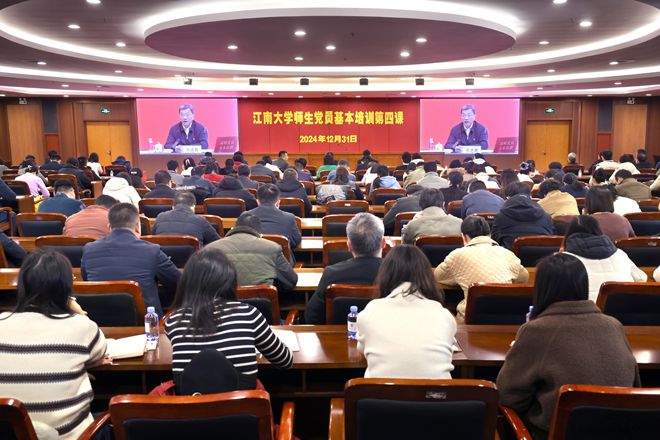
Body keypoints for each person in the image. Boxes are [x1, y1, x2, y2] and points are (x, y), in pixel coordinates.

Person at [497, 253, 640, 439]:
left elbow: (508, 396)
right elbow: (635, 384)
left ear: (541, 289)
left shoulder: (537, 330)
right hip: (621, 431)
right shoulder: (614, 325)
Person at [0, 250, 107, 440]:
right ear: (66, 287)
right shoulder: (81, 326)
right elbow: (98, 357)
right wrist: (78, 313)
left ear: (22, 285)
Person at [165, 247, 293, 390]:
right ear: (229, 280)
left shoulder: (173, 322)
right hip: (244, 404)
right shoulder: (249, 315)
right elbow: (285, 361)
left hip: (191, 403)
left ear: (187, 283)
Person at [357, 245, 456, 379]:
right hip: (435, 392)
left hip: (381, 391)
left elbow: (362, 350)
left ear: (385, 275)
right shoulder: (443, 315)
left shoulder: (371, 311)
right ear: (426, 275)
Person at [81, 203, 180, 315]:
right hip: (145, 321)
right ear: (137, 226)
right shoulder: (152, 250)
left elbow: (87, 280)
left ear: (109, 227)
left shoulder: (89, 249)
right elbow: (178, 283)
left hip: (97, 319)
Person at [434, 216, 529, 320]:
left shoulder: (457, 255)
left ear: (463, 237)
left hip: (470, 319)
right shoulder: (508, 254)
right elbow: (524, 277)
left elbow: (438, 276)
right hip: (507, 317)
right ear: (490, 235)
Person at [305, 213, 384, 324]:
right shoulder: (398, 273)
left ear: (349, 246)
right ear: (383, 243)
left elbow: (312, 316)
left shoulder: (331, 273)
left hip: (340, 333)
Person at [562, 215, 646, 301]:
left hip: (587, 307)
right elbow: (642, 278)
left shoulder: (562, 260)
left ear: (568, 233)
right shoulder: (620, 254)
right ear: (598, 230)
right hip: (625, 306)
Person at [207, 212, 297, 291]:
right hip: (261, 304)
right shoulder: (273, 248)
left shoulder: (211, 249)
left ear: (232, 228)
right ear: (260, 234)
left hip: (223, 303)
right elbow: (291, 281)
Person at [491, 182, 553, 250]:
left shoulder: (501, 217)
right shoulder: (546, 216)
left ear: (507, 197)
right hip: (543, 254)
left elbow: (495, 240)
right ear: (530, 195)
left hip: (511, 255)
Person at [246, 184, 301, 252]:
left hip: (251, 258)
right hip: (281, 258)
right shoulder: (289, 218)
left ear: (257, 202)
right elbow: (296, 241)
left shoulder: (245, 216)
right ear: (278, 202)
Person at [152, 191, 220, 245]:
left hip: (163, 257)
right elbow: (217, 242)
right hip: (193, 258)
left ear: (173, 206)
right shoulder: (200, 220)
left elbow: (153, 239)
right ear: (193, 206)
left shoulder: (160, 217)